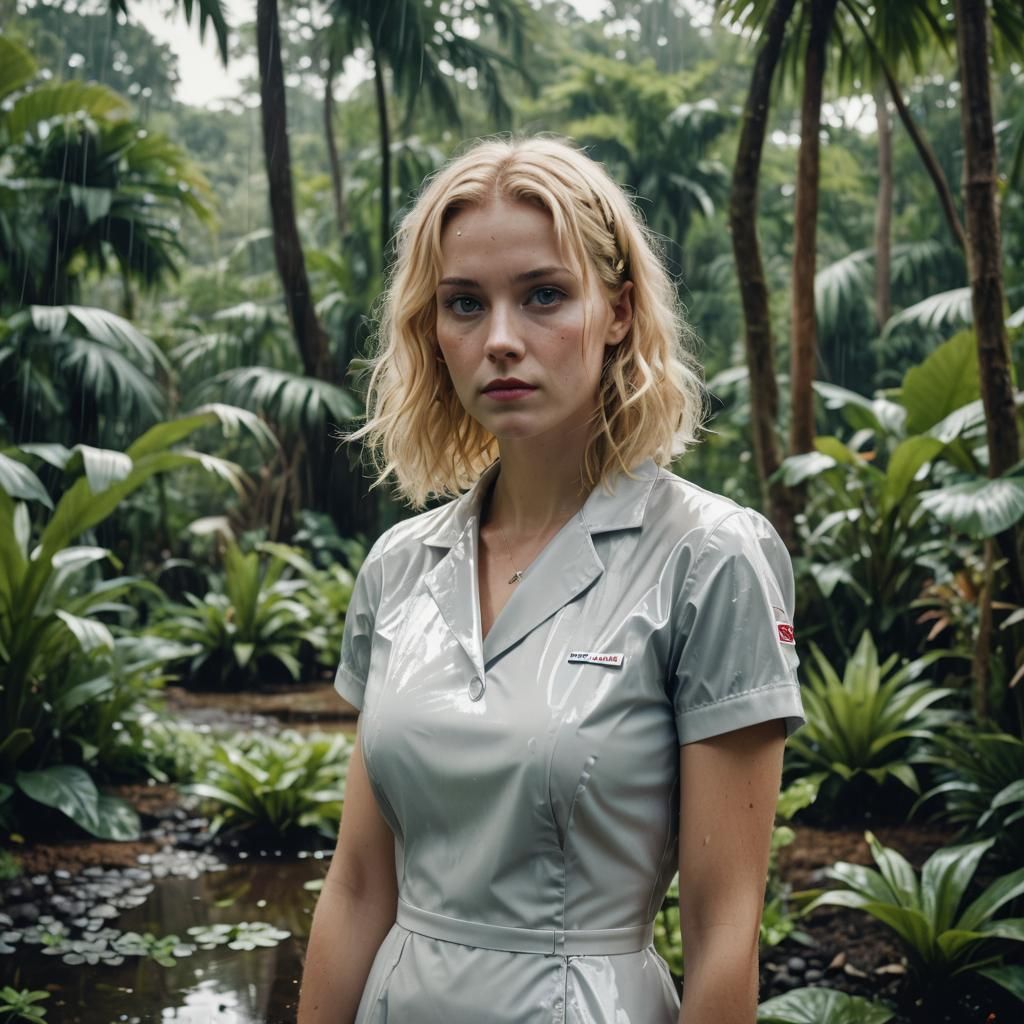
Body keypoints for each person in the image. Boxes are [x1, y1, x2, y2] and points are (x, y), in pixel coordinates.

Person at [297, 135, 804, 1024]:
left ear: (617, 310)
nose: (499, 340)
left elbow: (727, 933)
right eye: (464, 304)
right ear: (433, 330)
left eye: (542, 296)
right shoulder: (400, 567)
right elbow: (359, 886)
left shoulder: (710, 557)